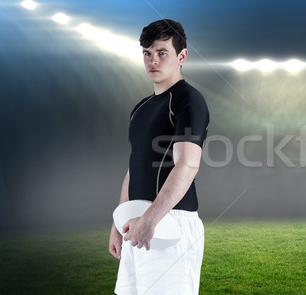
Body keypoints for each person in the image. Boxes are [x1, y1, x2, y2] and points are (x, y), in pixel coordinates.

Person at [108, 19, 210, 295]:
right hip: (137, 222)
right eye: (147, 53)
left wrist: (150, 220)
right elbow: (134, 168)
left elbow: (187, 164)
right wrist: (119, 224)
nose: (153, 60)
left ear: (181, 56)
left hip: (170, 221)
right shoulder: (141, 108)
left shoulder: (187, 99)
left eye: (162, 52)